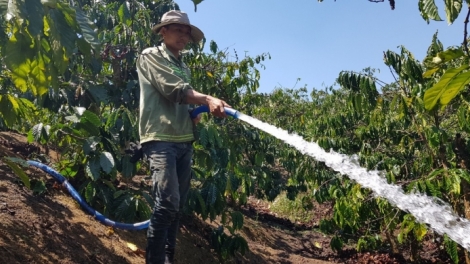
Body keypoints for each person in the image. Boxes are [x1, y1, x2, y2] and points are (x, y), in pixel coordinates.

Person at [136, 10, 231, 264]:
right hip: (160, 137)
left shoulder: (182, 65)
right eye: (178, 30)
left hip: (183, 139)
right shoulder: (150, 56)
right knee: (167, 203)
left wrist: (194, 112)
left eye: (187, 32)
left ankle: (169, 258)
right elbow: (172, 90)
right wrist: (206, 98)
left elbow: (182, 99)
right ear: (163, 31)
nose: (184, 36)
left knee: (176, 208)